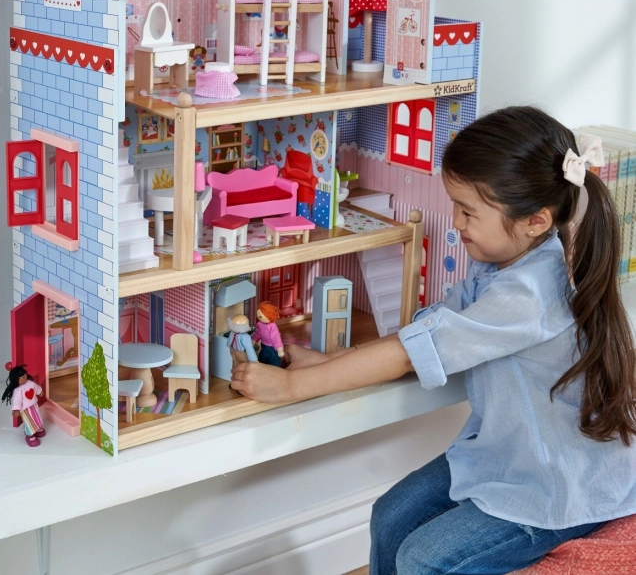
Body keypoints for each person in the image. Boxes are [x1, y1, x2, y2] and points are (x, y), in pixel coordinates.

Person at [231, 106, 636, 574]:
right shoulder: (503, 262)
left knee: (425, 560)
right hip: (506, 454)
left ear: (535, 221)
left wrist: (291, 387)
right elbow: (430, 329)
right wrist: (334, 359)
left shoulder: (528, 294)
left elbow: (409, 355)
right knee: (390, 517)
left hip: (553, 485)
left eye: (468, 212)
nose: (456, 222)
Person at [1, 364, 46, 448]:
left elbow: (36, 388)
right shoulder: (17, 390)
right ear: (16, 379)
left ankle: (37, 428)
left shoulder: (30, 383)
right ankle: (30, 435)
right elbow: (16, 401)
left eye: (24, 375)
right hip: (25, 409)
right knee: (29, 422)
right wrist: (16, 410)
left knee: (37, 418)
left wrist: (40, 392)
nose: (24, 377)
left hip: (34, 405)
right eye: (21, 377)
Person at [253, 301, 284, 367]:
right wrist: (254, 340)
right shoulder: (259, 324)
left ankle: (275, 368)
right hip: (264, 344)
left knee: (274, 359)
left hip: (272, 346)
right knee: (263, 357)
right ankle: (262, 366)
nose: (259, 317)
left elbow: (276, 337)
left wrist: (279, 349)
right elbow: (258, 333)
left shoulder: (272, 326)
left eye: (261, 316)